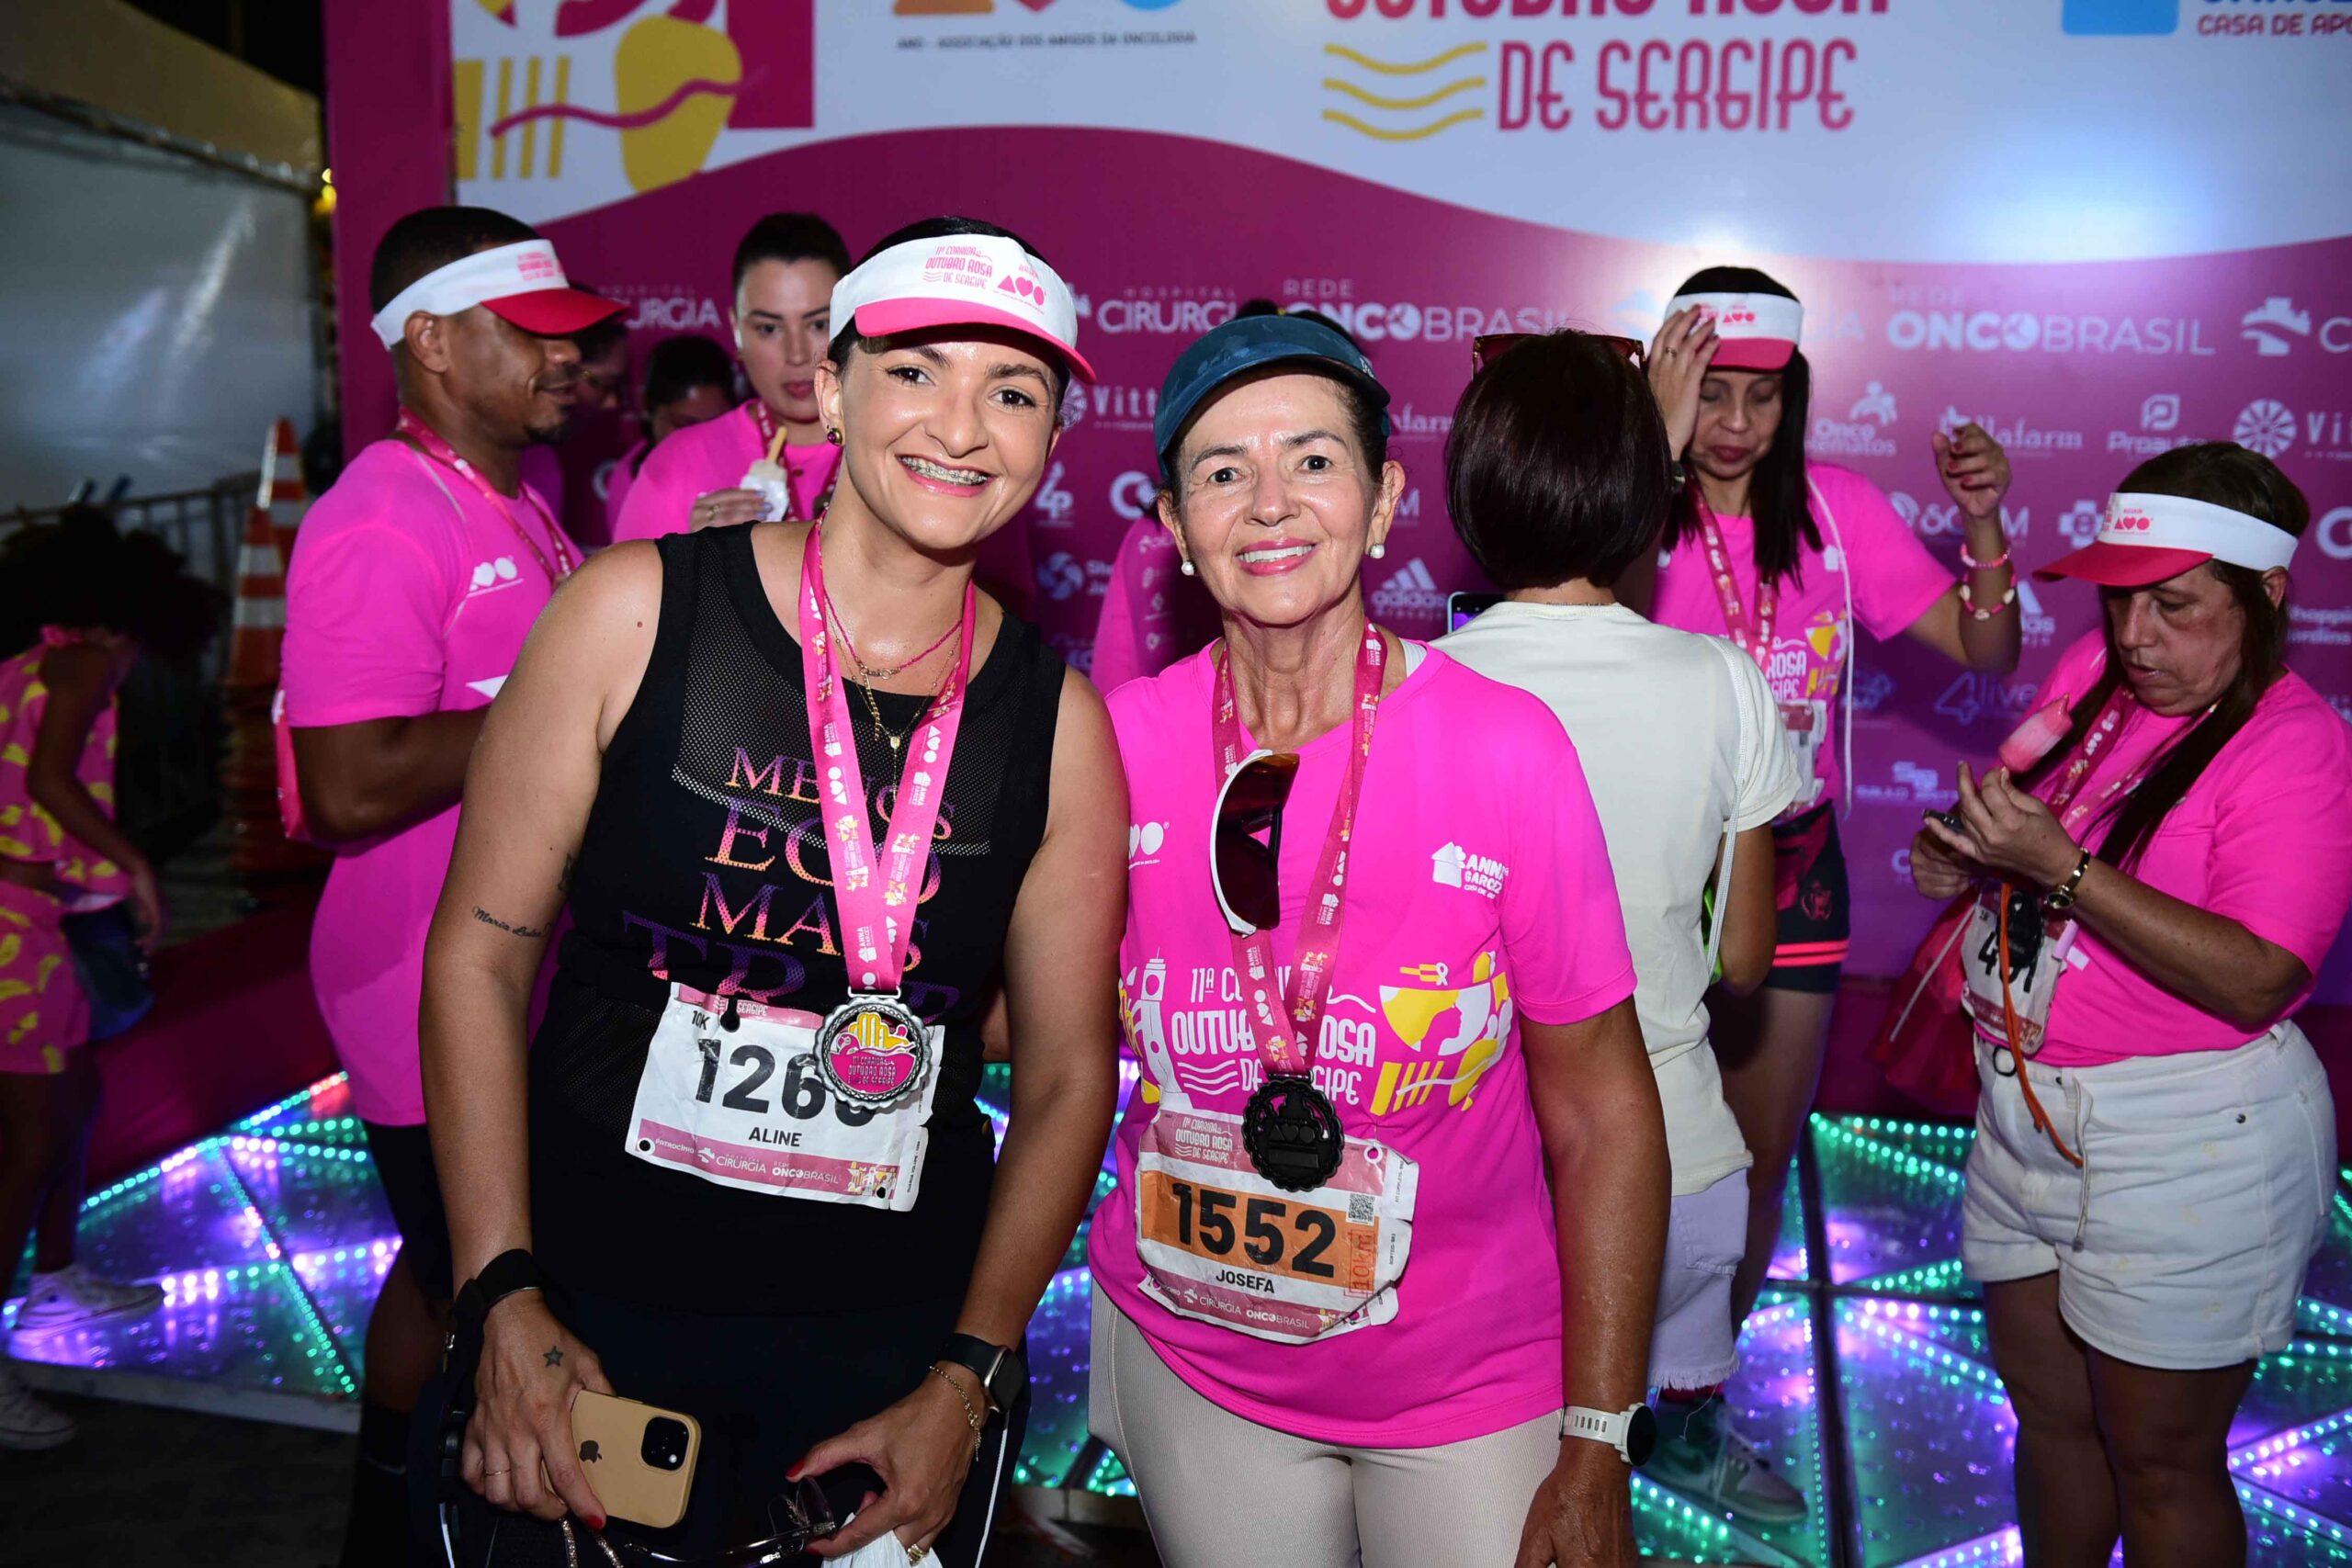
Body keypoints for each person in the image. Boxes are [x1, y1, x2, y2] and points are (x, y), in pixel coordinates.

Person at [419, 217, 1123, 1564]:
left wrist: (969, 1374)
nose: (961, 427)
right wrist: (496, 1291)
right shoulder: (634, 614)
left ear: (1050, 437)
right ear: (831, 389)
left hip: (889, 1348)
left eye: (1014, 391)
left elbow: (1065, 1074)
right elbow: (479, 958)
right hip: (592, 1312)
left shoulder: (1057, 725)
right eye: (914, 371)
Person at [1087, 311, 1668, 1567]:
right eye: (1223, 472)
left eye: (1312, 460)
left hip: (1465, 1378)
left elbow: (1604, 1111)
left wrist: (1597, 1436)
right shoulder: (1113, 744)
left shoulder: (1507, 748)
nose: (1269, 504)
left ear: (1385, 498)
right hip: (1198, 1357)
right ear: (1175, 525)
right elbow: (1046, 1034)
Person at [1913, 442, 2352, 1568]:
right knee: (2050, 1420)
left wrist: (2059, 869)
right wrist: (1964, 852)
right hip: (2023, 1114)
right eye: (2119, 602)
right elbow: (2021, 817)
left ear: (2265, 594)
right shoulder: (2095, 677)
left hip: (2188, 1142)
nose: (2134, 637)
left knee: (2160, 1461)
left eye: (2173, 606)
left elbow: (2260, 975)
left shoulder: (2294, 744)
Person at [1637, 265, 2020, 1508]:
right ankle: (1573, 1393)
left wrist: (1983, 526)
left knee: (1753, 1157)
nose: (1734, 423)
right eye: (1711, 392)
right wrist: (1648, 444)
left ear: (1793, 400)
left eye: (1761, 397)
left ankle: (1687, 1408)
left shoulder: (1836, 511)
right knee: (1606, 1141)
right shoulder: (1622, 503)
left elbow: (1984, 645)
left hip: (1793, 861)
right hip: (1638, 866)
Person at [279, 205, 621, 1565]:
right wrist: (557, 704)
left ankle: (382, 1521)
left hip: (503, 965)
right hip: (416, 982)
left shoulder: (518, 500)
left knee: (437, 1275)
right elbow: (348, 784)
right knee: (487, 1294)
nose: (564, 359)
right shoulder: (377, 515)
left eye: (568, 334)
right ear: (428, 341)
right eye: (527, 333)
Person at [1437, 330, 1807, 1521]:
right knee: (1629, 1456)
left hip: (1477, 1173)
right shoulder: (1724, 680)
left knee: (1490, 1493)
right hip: (1676, 1165)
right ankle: (1687, 1451)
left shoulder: (1417, 685)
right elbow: (1744, 959)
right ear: (1652, 495)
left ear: (1470, 493)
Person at [0, 509, 220, 1450]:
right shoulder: (88, 661)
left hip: (36, 919)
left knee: (77, 1099)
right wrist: (133, 864)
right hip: (18, 936)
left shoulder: (39, 657)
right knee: (32, 1141)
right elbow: (50, 781)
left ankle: (57, 1278)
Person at [611, 212, 851, 542]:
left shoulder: (895, 443)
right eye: (769, 328)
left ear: (850, 321)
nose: (796, 354)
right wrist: (692, 560)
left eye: (819, 324)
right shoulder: (678, 464)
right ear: (737, 330)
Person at [601, 333, 740, 541]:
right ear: (646, 405)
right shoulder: (632, 482)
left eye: (715, 425)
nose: (701, 440)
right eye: (686, 426)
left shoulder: (756, 458)